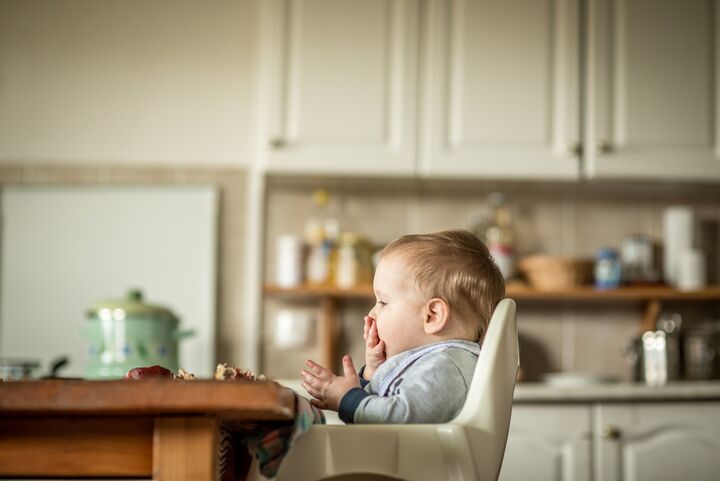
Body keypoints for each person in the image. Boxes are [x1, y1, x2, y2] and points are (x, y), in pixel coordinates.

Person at [300, 229, 506, 424]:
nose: (372, 313)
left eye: (383, 302)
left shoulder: (446, 367)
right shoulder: (430, 361)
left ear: (432, 316)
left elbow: (400, 418)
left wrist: (347, 399)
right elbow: (384, 406)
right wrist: (373, 371)